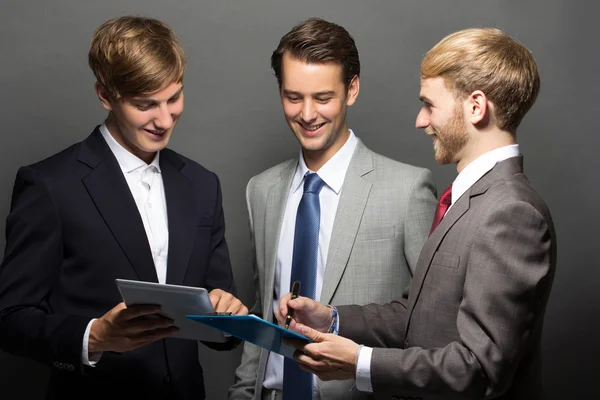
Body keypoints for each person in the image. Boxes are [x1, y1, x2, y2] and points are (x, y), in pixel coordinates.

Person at [277, 27, 557, 400]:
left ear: (476, 106)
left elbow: (479, 368)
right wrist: (332, 318)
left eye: (430, 105)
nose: (420, 121)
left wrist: (360, 363)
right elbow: (416, 314)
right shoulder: (469, 199)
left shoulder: (512, 213)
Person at [0, 15, 247, 400]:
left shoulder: (202, 184)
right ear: (105, 95)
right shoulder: (49, 185)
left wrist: (229, 318)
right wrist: (93, 337)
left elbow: (220, 316)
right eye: (145, 105)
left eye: (174, 98)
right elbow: (11, 319)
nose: (164, 120)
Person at [230, 17, 436, 400]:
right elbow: (263, 312)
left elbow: (427, 321)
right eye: (294, 97)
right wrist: (243, 392)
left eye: (323, 97)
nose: (307, 114)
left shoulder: (407, 190)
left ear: (352, 89)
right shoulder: (260, 190)